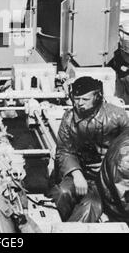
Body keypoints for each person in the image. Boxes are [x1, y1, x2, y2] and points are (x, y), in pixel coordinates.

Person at [49, 76, 129, 222]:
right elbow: (64, 150)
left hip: (108, 178)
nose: (79, 104)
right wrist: (77, 174)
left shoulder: (117, 116)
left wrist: (109, 163)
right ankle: (66, 221)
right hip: (81, 172)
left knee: (91, 206)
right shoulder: (68, 119)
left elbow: (126, 146)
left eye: (85, 99)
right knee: (62, 192)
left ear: (97, 97)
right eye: (76, 98)